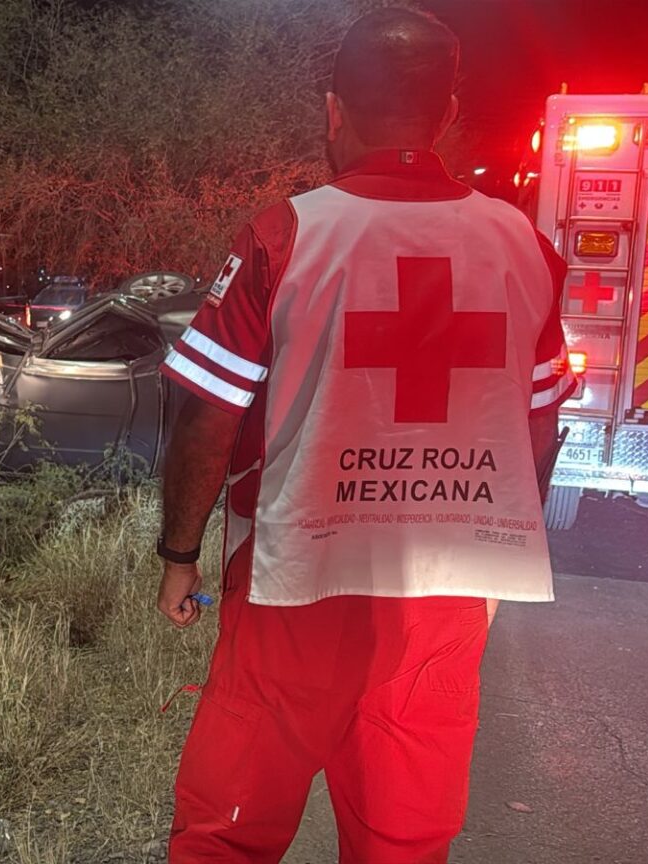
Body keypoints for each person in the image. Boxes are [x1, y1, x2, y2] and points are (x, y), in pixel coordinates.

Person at [156, 9, 573, 863]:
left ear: (334, 110)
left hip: (297, 581)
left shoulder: (288, 233)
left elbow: (210, 411)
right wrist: (499, 543)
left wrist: (178, 553)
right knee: (404, 839)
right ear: (448, 114)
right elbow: (539, 426)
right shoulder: (524, 245)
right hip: (447, 589)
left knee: (228, 832)